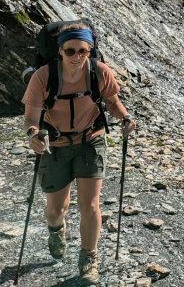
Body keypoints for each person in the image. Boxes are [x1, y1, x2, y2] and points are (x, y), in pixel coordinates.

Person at [22, 22, 136, 285]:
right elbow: (31, 115)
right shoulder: (43, 76)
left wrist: (125, 117)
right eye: (71, 51)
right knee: (55, 209)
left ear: (90, 50)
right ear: (60, 50)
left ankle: (89, 258)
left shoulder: (99, 72)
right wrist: (32, 134)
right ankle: (56, 230)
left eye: (83, 51)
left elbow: (112, 102)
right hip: (56, 145)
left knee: (91, 205)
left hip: (91, 141)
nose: (77, 57)